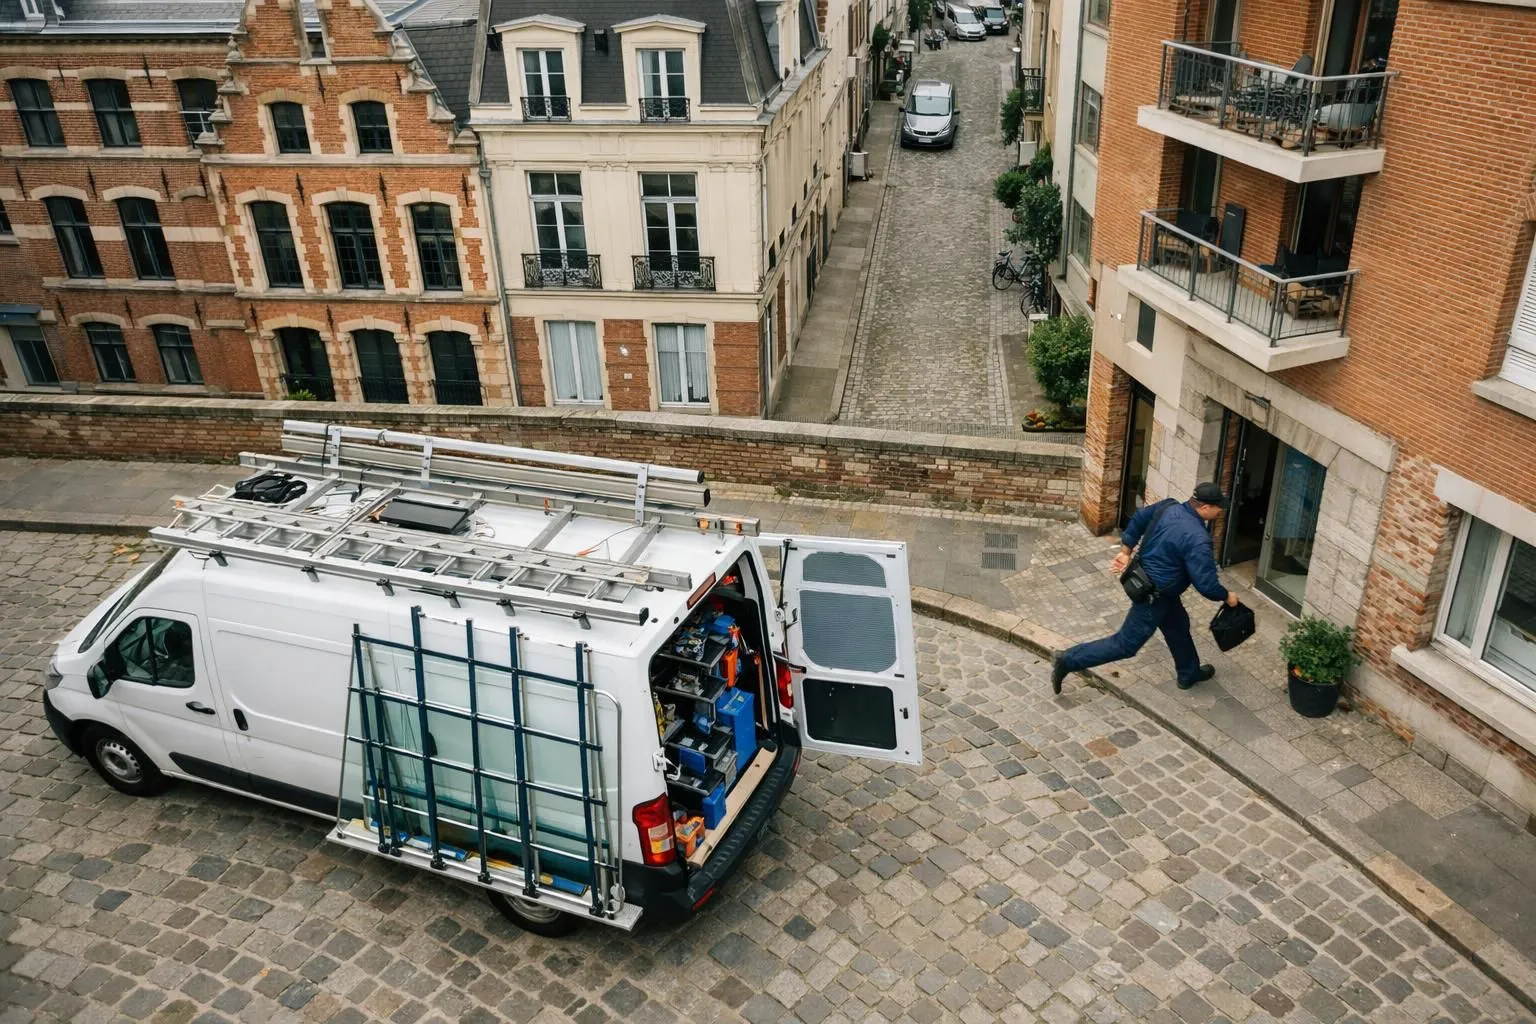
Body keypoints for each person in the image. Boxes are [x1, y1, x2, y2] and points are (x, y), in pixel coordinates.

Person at [1052, 482, 1239, 694]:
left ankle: (1189, 672)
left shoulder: (1168, 507)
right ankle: (1067, 660)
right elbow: (1206, 584)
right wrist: (1227, 596)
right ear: (1205, 507)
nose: (1220, 511)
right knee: (1126, 645)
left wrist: (1125, 551)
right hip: (1154, 597)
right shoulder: (1198, 538)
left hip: (1154, 587)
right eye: (1218, 508)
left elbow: (1140, 518)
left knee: (1178, 627)